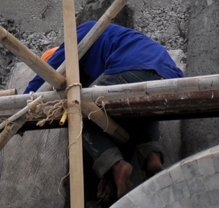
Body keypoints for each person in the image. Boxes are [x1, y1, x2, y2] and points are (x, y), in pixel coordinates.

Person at [24, 21, 183, 203]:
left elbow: (48, 72)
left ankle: (117, 166)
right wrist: (110, 178)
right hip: (169, 77)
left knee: (78, 113)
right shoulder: (117, 41)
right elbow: (120, 132)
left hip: (130, 69)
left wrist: (22, 107)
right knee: (140, 115)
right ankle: (152, 157)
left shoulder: (84, 31)